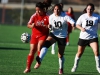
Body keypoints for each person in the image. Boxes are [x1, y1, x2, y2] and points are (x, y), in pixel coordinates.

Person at [34, 4, 75, 74]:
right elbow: (51, 27)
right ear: (53, 10)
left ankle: (61, 68)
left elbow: (72, 21)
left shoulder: (64, 16)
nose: (56, 10)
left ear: (61, 10)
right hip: (54, 34)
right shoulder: (51, 17)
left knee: (60, 55)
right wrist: (49, 26)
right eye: (55, 9)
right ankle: (39, 60)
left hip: (62, 36)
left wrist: (73, 24)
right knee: (45, 45)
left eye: (58, 9)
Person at [71, 3, 100, 73]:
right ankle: (75, 66)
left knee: (96, 51)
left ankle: (98, 67)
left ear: (93, 9)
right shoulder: (82, 16)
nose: (89, 10)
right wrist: (81, 28)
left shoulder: (97, 17)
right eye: (88, 9)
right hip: (83, 37)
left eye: (91, 9)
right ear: (86, 9)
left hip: (93, 37)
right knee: (79, 53)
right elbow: (77, 24)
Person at [23, 2, 49, 73]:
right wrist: (32, 26)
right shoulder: (34, 16)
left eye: (39, 10)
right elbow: (28, 25)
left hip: (43, 35)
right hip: (34, 35)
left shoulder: (47, 16)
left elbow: (50, 26)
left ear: (43, 9)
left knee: (39, 46)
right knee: (31, 51)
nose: (37, 12)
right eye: (36, 10)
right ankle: (28, 68)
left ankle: (38, 62)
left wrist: (47, 26)